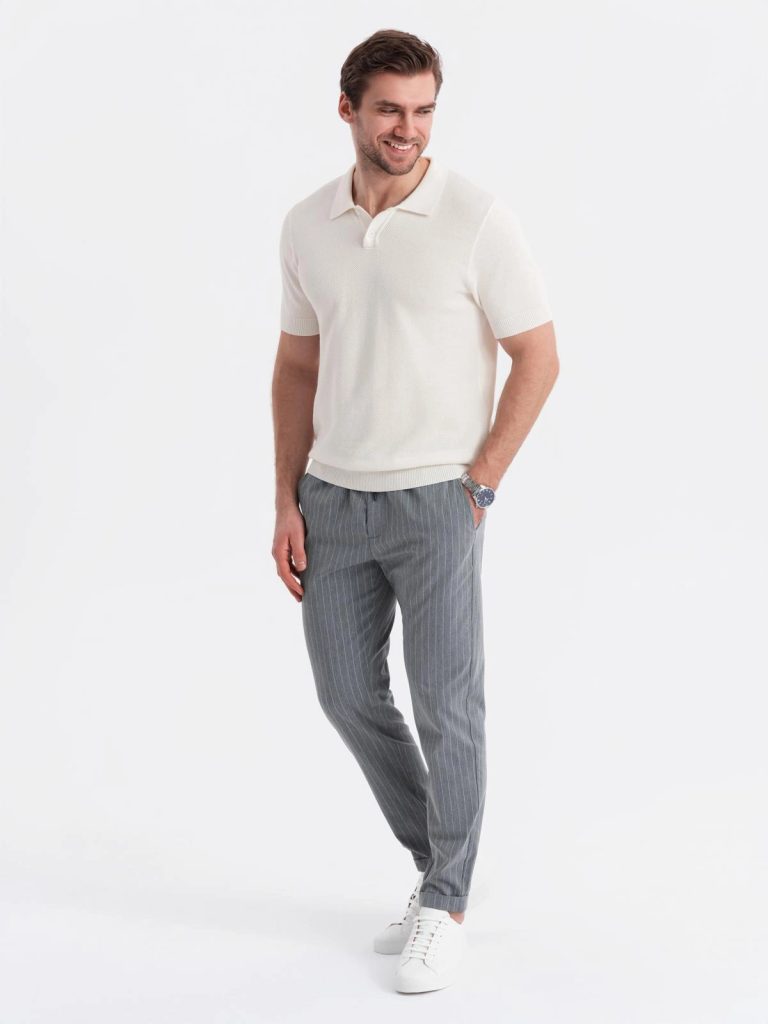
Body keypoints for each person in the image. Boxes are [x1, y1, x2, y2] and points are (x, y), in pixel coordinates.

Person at [271, 28, 559, 994]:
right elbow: (296, 367)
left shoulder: (475, 218)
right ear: (347, 108)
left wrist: (481, 482)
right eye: (390, 109)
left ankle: (446, 899)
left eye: (424, 110)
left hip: (438, 499)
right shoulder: (308, 224)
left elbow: (539, 355)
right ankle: (439, 865)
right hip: (332, 498)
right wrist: (286, 497)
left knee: (447, 704)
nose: (408, 128)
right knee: (348, 696)